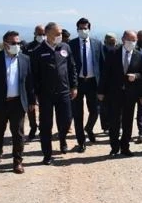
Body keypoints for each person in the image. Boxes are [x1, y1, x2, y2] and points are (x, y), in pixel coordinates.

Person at [0, 31, 35, 174]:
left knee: (18, 133)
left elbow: (29, 83)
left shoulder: (25, 59)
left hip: (17, 102)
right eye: (13, 43)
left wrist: (32, 101)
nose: (16, 45)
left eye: (18, 43)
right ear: (5, 43)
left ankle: (17, 162)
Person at [31, 22, 78, 164]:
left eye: (61, 34)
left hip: (64, 91)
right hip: (46, 94)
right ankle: (47, 154)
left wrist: (74, 86)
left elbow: (72, 68)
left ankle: (63, 139)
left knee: (66, 120)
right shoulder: (38, 51)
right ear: (48, 34)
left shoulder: (65, 47)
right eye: (57, 34)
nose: (60, 36)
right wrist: (35, 94)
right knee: (46, 125)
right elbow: (34, 75)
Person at [98, 30, 142, 156]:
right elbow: (105, 74)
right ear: (123, 40)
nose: (132, 43)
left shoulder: (138, 55)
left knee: (128, 122)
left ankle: (125, 147)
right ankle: (114, 147)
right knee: (114, 122)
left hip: (130, 95)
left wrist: (135, 76)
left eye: (134, 41)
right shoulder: (113, 53)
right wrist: (101, 91)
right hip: (114, 94)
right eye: (130, 40)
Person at [68, 17, 104, 147]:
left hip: (93, 82)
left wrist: (102, 86)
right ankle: (81, 141)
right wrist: (71, 85)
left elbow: (102, 64)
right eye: (81, 28)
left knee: (95, 111)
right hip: (77, 83)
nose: (83, 30)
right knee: (78, 114)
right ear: (77, 29)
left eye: (85, 28)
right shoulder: (70, 45)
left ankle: (89, 128)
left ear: (89, 29)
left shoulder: (97, 44)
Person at [22, 24, 46, 141]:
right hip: (30, 82)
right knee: (31, 106)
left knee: (44, 107)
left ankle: (43, 128)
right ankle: (33, 127)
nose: (41, 36)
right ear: (35, 34)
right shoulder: (28, 47)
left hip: (44, 83)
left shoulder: (48, 47)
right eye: (39, 34)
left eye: (43, 34)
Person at [99, 33, 118, 133]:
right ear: (105, 41)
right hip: (103, 83)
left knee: (117, 107)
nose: (111, 44)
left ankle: (117, 126)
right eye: (109, 42)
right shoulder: (100, 50)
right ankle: (106, 126)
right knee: (104, 107)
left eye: (113, 42)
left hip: (116, 84)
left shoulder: (118, 51)